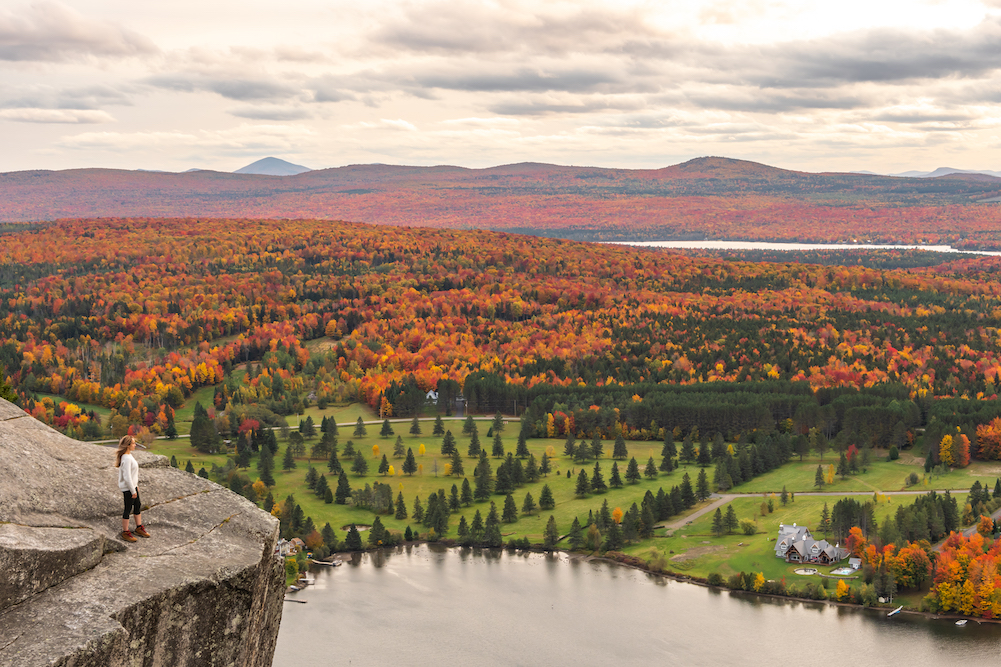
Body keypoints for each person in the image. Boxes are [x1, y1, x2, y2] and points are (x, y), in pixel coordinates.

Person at [115, 435, 151, 542]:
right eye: (134, 443)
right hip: (128, 489)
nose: (135, 445)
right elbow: (127, 476)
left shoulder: (129, 456)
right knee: (128, 509)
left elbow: (132, 474)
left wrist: (136, 486)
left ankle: (139, 527)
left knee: (137, 506)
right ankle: (125, 532)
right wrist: (132, 490)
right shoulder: (126, 458)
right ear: (128, 445)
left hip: (133, 487)